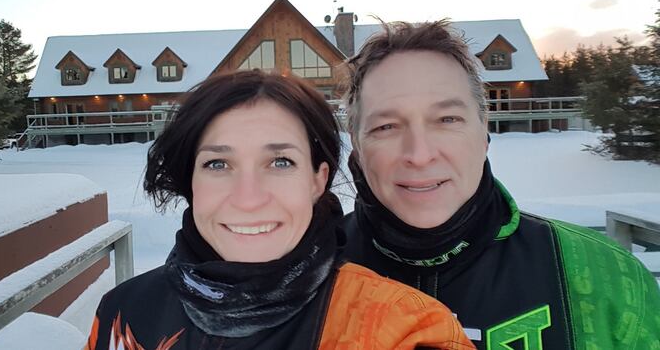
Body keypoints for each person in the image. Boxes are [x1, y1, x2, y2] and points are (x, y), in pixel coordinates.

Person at [85, 70, 474, 350]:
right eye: (218, 164)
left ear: (317, 180)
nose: (249, 198)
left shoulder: (403, 327)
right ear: (191, 180)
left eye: (281, 162)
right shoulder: (125, 313)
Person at [341, 20, 660, 349]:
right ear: (357, 143)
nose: (419, 155)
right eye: (386, 126)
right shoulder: (306, 274)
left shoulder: (605, 276)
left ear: (483, 132)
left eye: (447, 120)